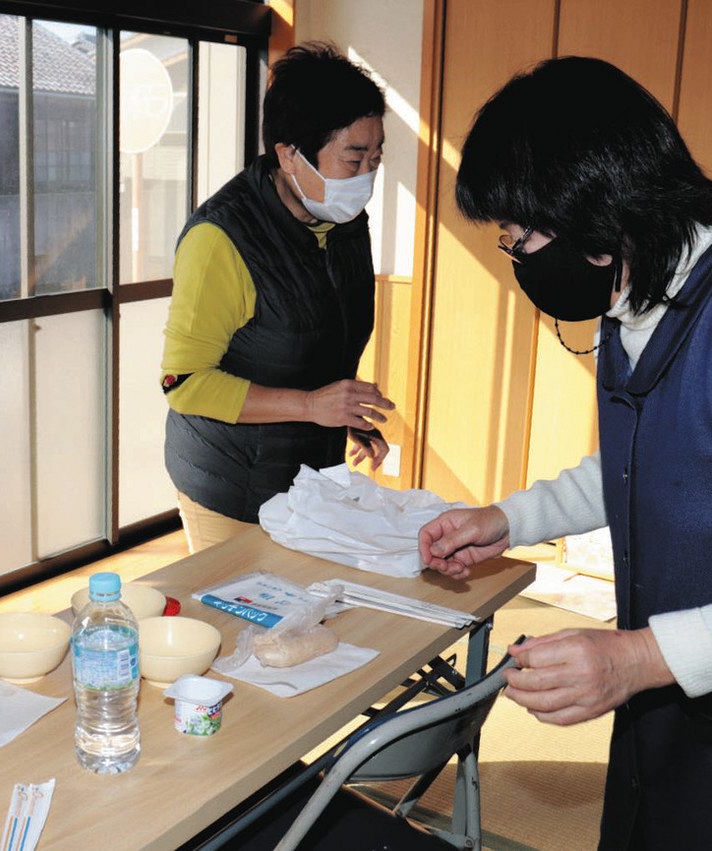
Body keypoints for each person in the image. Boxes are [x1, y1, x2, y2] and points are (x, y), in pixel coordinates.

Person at [418, 56, 712, 848]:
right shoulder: (631, 292)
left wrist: (640, 656)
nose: (518, 260)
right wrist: (508, 520)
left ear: (595, 213)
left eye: (521, 239)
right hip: (669, 693)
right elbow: (642, 463)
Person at [160, 43, 395, 553]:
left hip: (309, 474)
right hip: (229, 482)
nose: (366, 177)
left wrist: (342, 414)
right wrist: (311, 405)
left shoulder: (345, 224)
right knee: (239, 602)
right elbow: (185, 383)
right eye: (353, 158)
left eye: (376, 159)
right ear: (289, 154)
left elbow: (322, 334)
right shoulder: (221, 239)